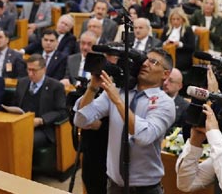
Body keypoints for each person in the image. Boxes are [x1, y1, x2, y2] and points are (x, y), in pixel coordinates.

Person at [74, 49, 175, 193]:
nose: (145, 64)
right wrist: (92, 87)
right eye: (145, 60)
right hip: (114, 185)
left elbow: (143, 136)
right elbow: (82, 119)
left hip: (145, 189)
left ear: (165, 74)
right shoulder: (120, 91)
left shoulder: (165, 103)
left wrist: (117, 100)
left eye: (153, 62)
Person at [13, 55, 68, 151]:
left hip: (43, 129)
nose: (30, 74)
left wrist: (42, 120)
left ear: (44, 70)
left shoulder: (55, 86)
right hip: (22, 123)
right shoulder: (22, 82)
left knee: (23, 139)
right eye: (28, 70)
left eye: (34, 70)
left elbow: (62, 112)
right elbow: (15, 103)